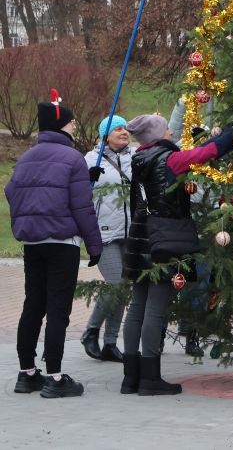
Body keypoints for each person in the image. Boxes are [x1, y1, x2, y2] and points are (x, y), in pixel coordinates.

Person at [121, 113, 233, 396]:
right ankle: (150, 378)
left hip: (140, 237)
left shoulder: (139, 158)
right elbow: (209, 151)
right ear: (159, 136)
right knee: (155, 308)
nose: (172, 133)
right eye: (167, 130)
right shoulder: (169, 160)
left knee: (137, 307)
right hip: (165, 240)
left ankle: (131, 377)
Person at [7, 89, 102, 398]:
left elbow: (11, 191)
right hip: (63, 242)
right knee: (58, 308)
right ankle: (56, 377)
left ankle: (27, 373)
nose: (75, 126)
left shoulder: (26, 158)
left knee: (32, 303)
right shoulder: (72, 158)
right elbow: (82, 208)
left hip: (33, 242)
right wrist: (95, 245)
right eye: (72, 122)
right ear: (62, 124)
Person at [80, 115, 134, 363]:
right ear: (105, 135)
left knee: (124, 288)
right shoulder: (91, 159)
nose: (124, 132)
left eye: (125, 128)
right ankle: (91, 331)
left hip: (132, 232)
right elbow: (80, 193)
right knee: (114, 283)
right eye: (118, 129)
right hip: (105, 232)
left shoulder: (135, 157)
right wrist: (88, 178)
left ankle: (110, 342)